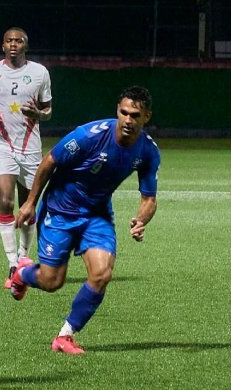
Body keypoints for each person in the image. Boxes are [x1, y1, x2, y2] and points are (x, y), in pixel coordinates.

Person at [9, 85, 160, 354]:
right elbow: (49, 161)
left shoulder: (147, 151)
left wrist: (141, 219)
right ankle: (22, 273)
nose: (128, 120)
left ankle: (65, 336)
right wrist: (31, 203)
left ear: (146, 116)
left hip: (97, 215)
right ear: (117, 111)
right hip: (59, 211)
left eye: (135, 115)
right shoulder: (90, 136)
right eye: (123, 113)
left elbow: (149, 198)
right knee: (52, 282)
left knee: (102, 274)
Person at [0, 27, 52, 288]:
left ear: (26, 45)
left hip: (30, 148)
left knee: (28, 205)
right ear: (2, 45)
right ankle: (12, 263)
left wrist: (38, 114)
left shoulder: (39, 73)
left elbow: (48, 110)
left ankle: (24, 256)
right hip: (0, 144)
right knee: (6, 200)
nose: (13, 44)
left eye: (18, 40)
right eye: (9, 40)